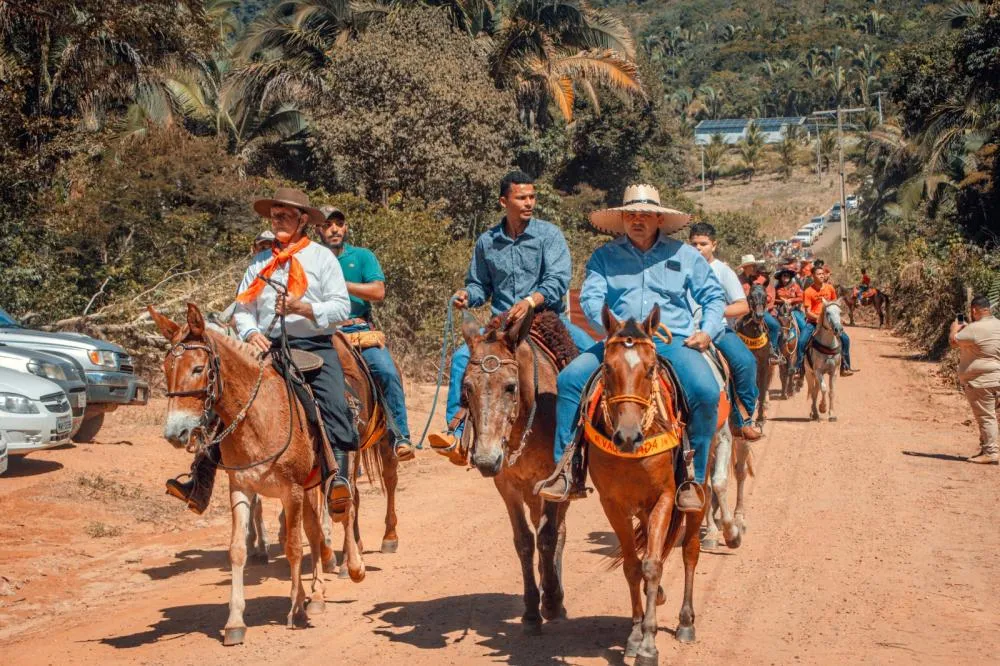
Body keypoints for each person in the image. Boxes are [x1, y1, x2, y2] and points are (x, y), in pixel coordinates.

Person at [165, 188, 358, 515]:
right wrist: (252, 332)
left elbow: (342, 307)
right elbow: (242, 308)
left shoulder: (321, 258)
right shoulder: (260, 262)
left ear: (302, 221)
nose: (278, 220)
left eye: (285, 215)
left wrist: (304, 308)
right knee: (223, 398)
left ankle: (337, 480)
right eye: (275, 215)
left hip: (312, 344)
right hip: (266, 346)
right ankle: (200, 482)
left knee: (333, 401)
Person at [537, 184, 726, 512]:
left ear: (658, 219)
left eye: (645, 215)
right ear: (623, 219)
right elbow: (592, 297)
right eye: (631, 215)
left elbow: (713, 296)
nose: (637, 220)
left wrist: (707, 332)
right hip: (617, 344)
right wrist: (609, 327)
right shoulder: (604, 257)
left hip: (670, 342)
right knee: (569, 381)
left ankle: (693, 477)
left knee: (706, 392)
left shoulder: (685, 255)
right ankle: (565, 469)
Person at [428, 171, 595, 458]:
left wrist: (531, 301)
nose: (529, 202)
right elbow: (480, 284)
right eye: (521, 197)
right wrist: (468, 295)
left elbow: (557, 280)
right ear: (504, 201)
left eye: (532, 197)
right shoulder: (487, 242)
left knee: (591, 356)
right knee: (460, 359)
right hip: (502, 326)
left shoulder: (548, 235)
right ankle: (457, 434)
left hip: (547, 320)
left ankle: (591, 437)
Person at [313, 205, 414, 462]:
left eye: (338, 223)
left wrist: (342, 285)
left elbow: (378, 292)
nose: (334, 229)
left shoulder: (362, 256)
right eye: (327, 225)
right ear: (318, 230)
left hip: (358, 330)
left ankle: (399, 435)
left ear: (345, 228)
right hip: (323, 332)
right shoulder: (310, 259)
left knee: (387, 372)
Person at [687, 222, 763, 440]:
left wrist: (715, 312)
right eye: (694, 244)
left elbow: (742, 305)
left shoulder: (722, 271)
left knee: (745, 362)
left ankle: (744, 419)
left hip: (718, 330)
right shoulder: (683, 269)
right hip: (686, 329)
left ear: (714, 245)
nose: (698, 248)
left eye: (703, 244)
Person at [949, 295, 1000, 465]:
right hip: (997, 377)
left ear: (974, 310)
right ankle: (987, 447)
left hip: (981, 380)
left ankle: (991, 452)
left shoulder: (973, 329)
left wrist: (955, 327)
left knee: (986, 417)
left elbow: (953, 341)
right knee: (991, 415)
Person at [796, 266, 857, 376]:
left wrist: (837, 318)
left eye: (823, 274)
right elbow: (808, 312)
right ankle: (799, 368)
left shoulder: (830, 288)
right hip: (813, 322)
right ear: (813, 276)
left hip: (830, 321)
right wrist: (818, 318)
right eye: (819, 274)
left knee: (845, 339)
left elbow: (834, 304)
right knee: (801, 341)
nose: (822, 275)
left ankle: (845, 366)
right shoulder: (808, 291)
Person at [738, 255, 781, 365]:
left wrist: (764, 302)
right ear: (745, 267)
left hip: (759, 309)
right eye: (750, 266)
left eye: (753, 266)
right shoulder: (738, 280)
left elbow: (770, 294)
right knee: (732, 328)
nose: (753, 268)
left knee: (775, 326)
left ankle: (773, 351)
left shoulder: (761, 279)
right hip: (742, 310)